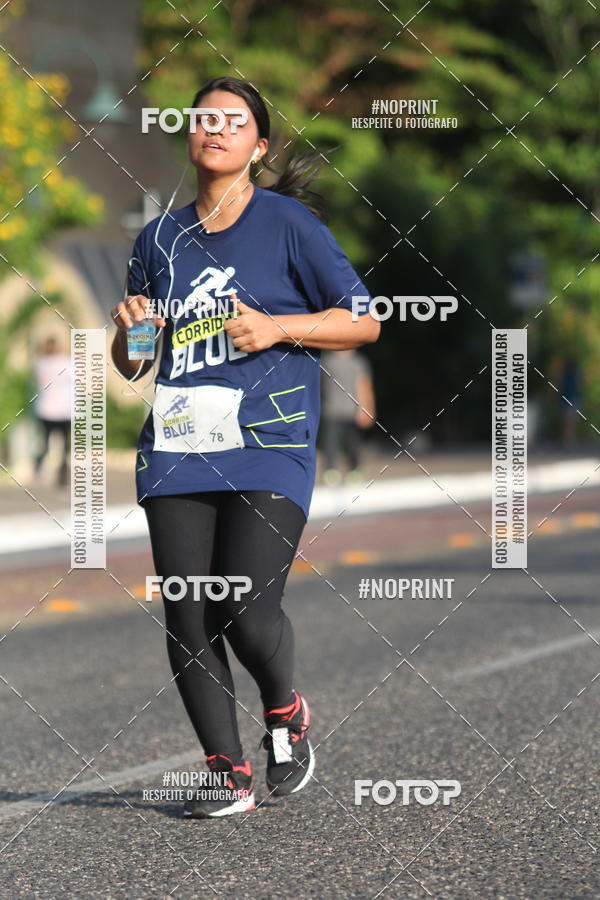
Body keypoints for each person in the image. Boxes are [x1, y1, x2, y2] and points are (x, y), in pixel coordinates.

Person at [110, 76, 379, 819]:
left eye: (234, 122)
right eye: (203, 119)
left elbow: (364, 321)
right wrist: (133, 330)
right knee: (190, 610)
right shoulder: (158, 239)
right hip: (177, 446)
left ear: (258, 147)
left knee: (248, 609)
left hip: (268, 439)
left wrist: (278, 328)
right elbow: (135, 362)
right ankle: (226, 773)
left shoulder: (289, 225)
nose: (215, 128)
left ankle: (286, 710)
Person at [319, 348, 376, 484]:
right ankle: (330, 472)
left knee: (353, 444)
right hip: (331, 410)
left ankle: (354, 470)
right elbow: (321, 385)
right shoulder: (327, 361)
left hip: (352, 411)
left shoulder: (358, 362)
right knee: (330, 444)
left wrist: (367, 409)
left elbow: (364, 385)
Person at [32, 336, 72, 488]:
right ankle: (62, 479)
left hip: (45, 410)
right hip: (63, 411)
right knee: (64, 448)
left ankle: (37, 470)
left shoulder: (41, 364)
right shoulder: (66, 363)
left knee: (44, 443)